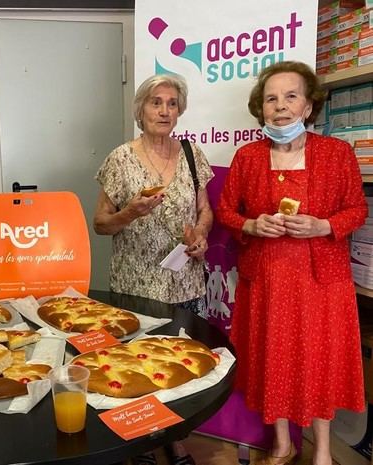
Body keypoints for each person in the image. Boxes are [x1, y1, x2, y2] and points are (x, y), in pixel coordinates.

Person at [216, 61, 366, 465]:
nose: (280, 106)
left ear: (308, 106)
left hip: (322, 282)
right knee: (273, 361)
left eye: (291, 96)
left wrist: (323, 225)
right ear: (260, 108)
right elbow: (227, 212)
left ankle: (321, 453)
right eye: (271, 98)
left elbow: (356, 211)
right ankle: (282, 444)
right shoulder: (247, 157)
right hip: (267, 279)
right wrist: (251, 223)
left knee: (319, 362)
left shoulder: (337, 153)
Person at [94, 73, 213, 465]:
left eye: (172, 103)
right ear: (141, 109)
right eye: (155, 102)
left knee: (180, 362)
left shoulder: (193, 155)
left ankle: (176, 438)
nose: (164, 110)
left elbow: (204, 209)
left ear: (180, 110)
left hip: (184, 281)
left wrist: (200, 232)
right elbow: (100, 223)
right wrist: (130, 212)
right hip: (134, 282)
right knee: (136, 365)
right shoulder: (120, 158)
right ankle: (141, 441)